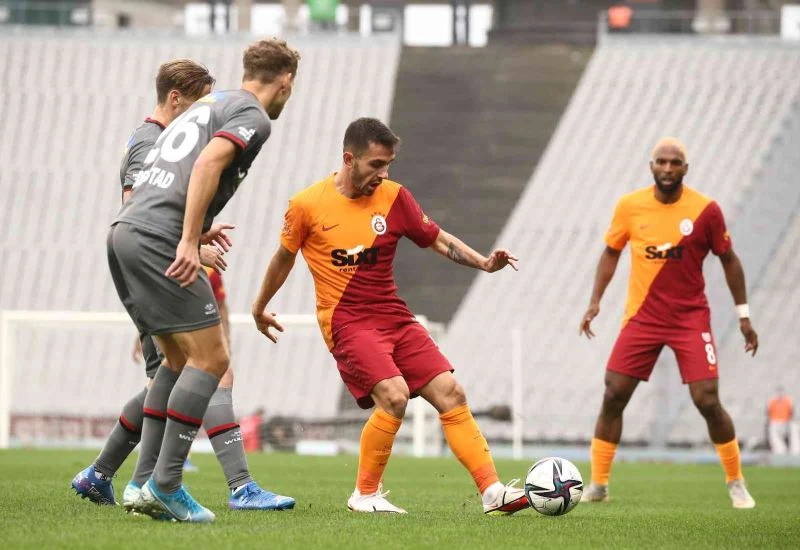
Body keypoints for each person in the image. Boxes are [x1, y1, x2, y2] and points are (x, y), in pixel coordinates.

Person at [251, 117, 528, 515]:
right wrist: (259, 307)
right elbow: (283, 258)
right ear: (349, 159)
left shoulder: (396, 197)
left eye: (388, 165)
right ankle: (364, 495)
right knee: (394, 396)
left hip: (394, 317)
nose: (383, 174)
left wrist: (484, 263)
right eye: (376, 165)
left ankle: (492, 492)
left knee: (451, 392)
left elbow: (438, 239)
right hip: (347, 322)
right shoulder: (306, 205)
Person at [73, 58, 292, 513]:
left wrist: (194, 231)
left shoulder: (195, 116)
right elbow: (170, 182)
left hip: (138, 239)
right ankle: (171, 483)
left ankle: (131, 480)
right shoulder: (223, 120)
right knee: (212, 362)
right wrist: (188, 240)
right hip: (157, 245)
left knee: (172, 368)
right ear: (286, 81)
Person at [578, 138, 759, 509]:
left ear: (685, 168)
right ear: (651, 166)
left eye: (675, 163)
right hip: (642, 317)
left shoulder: (706, 210)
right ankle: (598, 484)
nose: (667, 168)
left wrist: (743, 315)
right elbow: (611, 253)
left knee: (707, 399)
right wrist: (595, 301)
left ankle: (736, 481)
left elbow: (729, 260)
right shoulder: (630, 206)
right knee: (613, 394)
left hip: (689, 318)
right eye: (661, 162)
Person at [767, 386, 794, 455]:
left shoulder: (787, 401)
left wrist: (788, 421)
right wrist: (771, 420)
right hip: (775, 421)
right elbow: (769, 412)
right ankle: (780, 450)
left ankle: (790, 450)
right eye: (778, 392)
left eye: (781, 392)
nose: (780, 394)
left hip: (784, 421)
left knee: (787, 434)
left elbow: (791, 412)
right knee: (774, 436)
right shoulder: (772, 401)